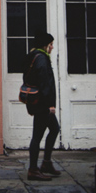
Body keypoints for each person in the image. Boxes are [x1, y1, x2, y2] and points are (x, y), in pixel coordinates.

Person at [24, 31, 60, 181]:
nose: (52, 48)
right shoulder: (42, 60)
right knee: (37, 136)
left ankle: (46, 163)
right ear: (45, 45)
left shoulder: (33, 56)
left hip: (37, 102)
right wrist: (50, 105)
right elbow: (45, 84)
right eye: (50, 45)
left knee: (54, 128)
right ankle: (33, 170)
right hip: (42, 104)